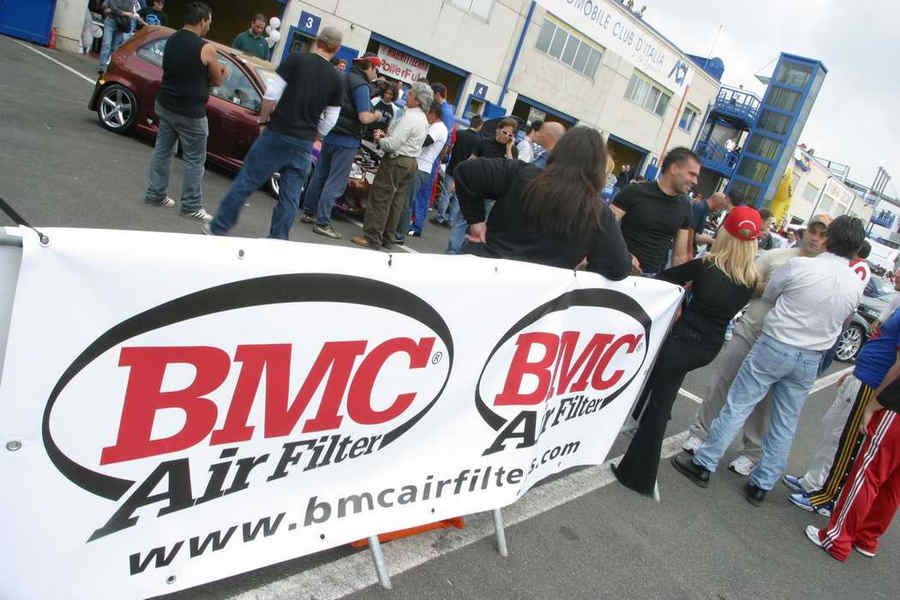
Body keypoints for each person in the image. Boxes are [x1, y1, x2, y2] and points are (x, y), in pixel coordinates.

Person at [672, 216, 867, 505]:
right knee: (784, 422)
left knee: (738, 404)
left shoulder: (801, 265)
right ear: (857, 249)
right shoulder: (855, 284)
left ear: (829, 239)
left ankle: (704, 463)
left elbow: (772, 293)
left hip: (776, 343)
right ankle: (761, 484)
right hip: (810, 356)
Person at [613, 206, 762, 497]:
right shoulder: (750, 279)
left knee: (659, 406)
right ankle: (636, 457)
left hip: (683, 339)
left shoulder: (706, 266)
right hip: (709, 346)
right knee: (661, 399)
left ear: (725, 234)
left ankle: (639, 474)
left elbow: (664, 278)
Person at [681, 215, 832, 474]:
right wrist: (771, 288)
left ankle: (751, 453)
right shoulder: (776, 257)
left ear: (829, 240)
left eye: (822, 234)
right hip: (751, 331)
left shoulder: (827, 272)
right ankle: (700, 432)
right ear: (805, 231)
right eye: (812, 231)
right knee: (722, 383)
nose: (815, 238)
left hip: (784, 344)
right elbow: (744, 283)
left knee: (764, 404)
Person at [206, 26, 344, 239]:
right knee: (290, 196)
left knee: (247, 180)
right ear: (336, 49)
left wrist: (263, 121)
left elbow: (271, 94)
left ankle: (218, 227)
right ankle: (278, 240)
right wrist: (316, 135)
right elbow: (331, 119)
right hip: (304, 141)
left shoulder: (296, 60)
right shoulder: (337, 79)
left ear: (318, 41)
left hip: (278, 131)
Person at [455, 127, 630, 280]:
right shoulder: (598, 212)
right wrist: (586, 265)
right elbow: (619, 267)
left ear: (559, 151)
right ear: (598, 167)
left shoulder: (521, 174)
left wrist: (475, 222)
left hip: (487, 276)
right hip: (538, 295)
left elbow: (465, 171)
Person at [785, 304, 900, 518]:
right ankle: (813, 482)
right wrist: (855, 371)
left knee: (845, 442)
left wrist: (877, 398)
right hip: (863, 375)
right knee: (833, 432)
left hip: (871, 383)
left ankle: (828, 498)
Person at [142, 1, 225, 223]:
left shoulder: (172, 39)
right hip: (191, 112)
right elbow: (217, 80)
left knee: (162, 150)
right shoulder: (206, 48)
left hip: (166, 104)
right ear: (202, 21)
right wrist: (221, 72)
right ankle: (191, 205)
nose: (209, 26)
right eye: (209, 21)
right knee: (195, 159)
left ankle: (155, 193)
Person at [805, 376, 900, 561]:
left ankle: (837, 539)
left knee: (868, 476)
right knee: (893, 487)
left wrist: (874, 404)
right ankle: (867, 538)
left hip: (896, 413)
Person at [299, 53, 384, 239]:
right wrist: (377, 116)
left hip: (330, 134)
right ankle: (322, 222)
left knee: (319, 176)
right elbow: (364, 117)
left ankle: (308, 212)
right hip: (347, 140)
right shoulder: (361, 86)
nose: (376, 73)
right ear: (369, 66)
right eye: (375, 69)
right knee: (335, 182)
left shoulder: (341, 77)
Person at [350, 82, 432, 249]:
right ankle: (388, 237)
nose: (407, 96)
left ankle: (372, 236)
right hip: (411, 161)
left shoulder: (409, 117)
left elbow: (393, 144)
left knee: (380, 197)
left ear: (417, 100)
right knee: (396, 202)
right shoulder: (423, 119)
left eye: (410, 94)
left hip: (397, 160)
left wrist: (380, 139)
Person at [611, 147, 697, 275]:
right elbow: (603, 228)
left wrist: (678, 280)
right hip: (617, 270)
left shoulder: (685, 206)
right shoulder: (634, 191)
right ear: (674, 168)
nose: (695, 181)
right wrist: (624, 254)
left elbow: (679, 256)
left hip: (652, 279)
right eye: (692, 174)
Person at [392, 103, 449, 245]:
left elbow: (424, 141)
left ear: (433, 113)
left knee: (406, 201)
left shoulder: (438, 128)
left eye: (427, 114)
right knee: (404, 199)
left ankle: (399, 234)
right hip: (420, 166)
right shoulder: (435, 126)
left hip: (421, 167)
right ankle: (396, 231)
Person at [408, 83, 455, 237]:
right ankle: (414, 223)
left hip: (428, 161)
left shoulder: (442, 120)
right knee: (418, 194)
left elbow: (438, 141)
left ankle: (416, 225)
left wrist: (438, 160)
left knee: (420, 195)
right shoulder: (444, 114)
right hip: (428, 160)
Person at [440, 116, 484, 249]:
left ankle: (440, 217)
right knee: (458, 198)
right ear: (480, 126)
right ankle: (451, 220)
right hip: (467, 173)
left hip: (453, 167)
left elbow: (450, 148)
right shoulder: (480, 141)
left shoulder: (459, 134)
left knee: (446, 193)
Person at [98, 0, 140, 74]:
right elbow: (113, 8)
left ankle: (108, 65)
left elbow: (131, 14)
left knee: (114, 47)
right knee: (106, 44)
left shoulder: (131, 1)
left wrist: (115, 11)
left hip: (121, 24)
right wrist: (125, 13)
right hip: (111, 21)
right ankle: (102, 67)